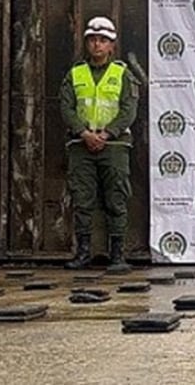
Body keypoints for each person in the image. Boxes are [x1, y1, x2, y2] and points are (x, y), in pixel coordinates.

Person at [60, 16, 139, 271]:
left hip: (114, 147)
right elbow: (66, 107)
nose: (97, 45)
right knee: (82, 199)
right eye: (93, 40)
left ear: (111, 45)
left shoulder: (122, 74)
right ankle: (83, 253)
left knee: (116, 198)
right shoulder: (75, 74)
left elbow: (129, 109)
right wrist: (84, 133)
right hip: (81, 145)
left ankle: (117, 256)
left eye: (102, 40)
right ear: (87, 43)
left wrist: (107, 134)